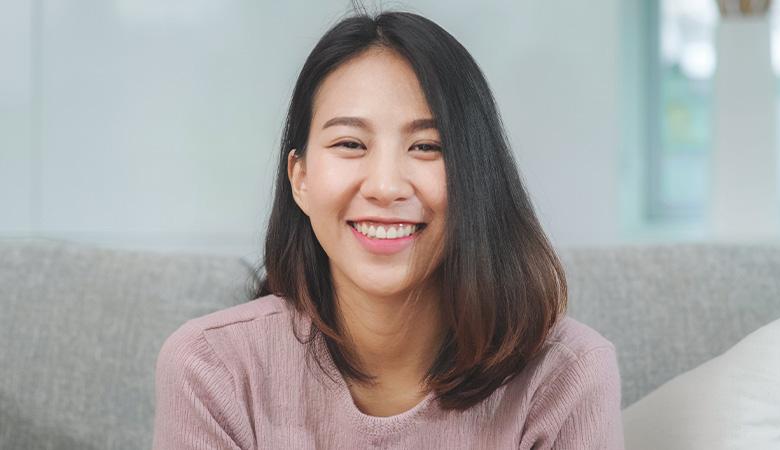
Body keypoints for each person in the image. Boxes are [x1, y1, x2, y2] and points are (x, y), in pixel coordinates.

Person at [152, 5, 625, 450]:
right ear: (300, 177)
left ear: (476, 176)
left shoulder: (568, 375)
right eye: (350, 143)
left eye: (426, 147)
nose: (384, 186)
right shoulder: (211, 368)